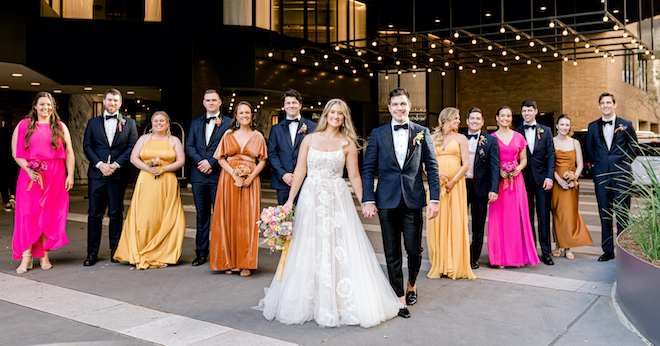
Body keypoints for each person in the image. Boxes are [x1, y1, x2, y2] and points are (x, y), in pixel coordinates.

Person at [255, 98, 404, 328]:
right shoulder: (310, 139)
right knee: (309, 244)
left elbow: (354, 175)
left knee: (338, 245)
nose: (336, 116)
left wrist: (366, 200)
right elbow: (300, 170)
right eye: (333, 112)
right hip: (311, 197)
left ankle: (337, 299)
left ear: (344, 118)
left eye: (340, 113)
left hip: (336, 197)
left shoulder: (348, 144)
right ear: (326, 114)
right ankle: (310, 298)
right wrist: (290, 201)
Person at [361, 87, 440, 318]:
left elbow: (432, 167)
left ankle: (412, 283)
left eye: (403, 104)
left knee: (414, 250)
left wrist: (434, 199)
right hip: (386, 199)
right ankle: (399, 297)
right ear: (389, 108)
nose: (399, 108)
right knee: (391, 250)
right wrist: (368, 199)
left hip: (413, 199)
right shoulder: (377, 134)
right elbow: (368, 169)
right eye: (395, 104)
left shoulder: (422, 132)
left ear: (409, 106)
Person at [11, 91, 75, 273]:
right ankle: (26, 256)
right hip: (30, 175)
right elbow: (17, 153)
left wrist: (70, 175)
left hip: (55, 174)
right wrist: (28, 169)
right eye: (42, 104)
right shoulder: (24, 125)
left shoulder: (60, 126)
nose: (45, 108)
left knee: (50, 213)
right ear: (35, 106)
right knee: (27, 214)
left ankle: (44, 254)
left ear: (52, 107)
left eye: (48, 105)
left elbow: (69, 152)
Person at [114, 111, 186, 269]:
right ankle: (141, 249)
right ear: (152, 124)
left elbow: (181, 160)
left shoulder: (174, 140)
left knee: (166, 216)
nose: (159, 123)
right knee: (145, 216)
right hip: (146, 181)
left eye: (162, 121)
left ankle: (164, 253)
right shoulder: (144, 139)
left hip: (167, 181)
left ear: (167, 124)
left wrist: (164, 169)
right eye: (156, 121)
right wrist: (148, 168)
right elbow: (133, 158)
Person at [209, 101, 267, 276]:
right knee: (229, 218)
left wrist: (251, 177)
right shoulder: (228, 134)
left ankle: (245, 263)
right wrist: (234, 175)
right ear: (236, 116)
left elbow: (263, 160)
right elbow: (220, 158)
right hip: (229, 179)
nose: (244, 116)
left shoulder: (258, 136)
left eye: (247, 113)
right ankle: (229, 261)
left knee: (247, 220)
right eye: (241, 113)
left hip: (251, 180)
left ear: (252, 116)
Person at [83, 88, 138, 266]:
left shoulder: (129, 123)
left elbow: (132, 147)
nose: (112, 103)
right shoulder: (92, 123)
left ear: (120, 103)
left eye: (116, 100)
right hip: (97, 174)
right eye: (109, 100)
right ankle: (92, 253)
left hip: (118, 175)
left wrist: (115, 165)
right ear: (104, 102)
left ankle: (116, 251)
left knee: (116, 213)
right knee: (94, 214)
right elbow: (87, 146)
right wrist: (100, 165)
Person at [585, 93, 638, 262]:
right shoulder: (592, 127)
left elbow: (634, 147)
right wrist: (601, 163)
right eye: (602, 103)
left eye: (609, 102)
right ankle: (607, 251)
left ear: (614, 105)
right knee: (604, 214)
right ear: (599, 106)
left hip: (622, 175)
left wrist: (622, 162)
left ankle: (624, 252)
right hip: (601, 176)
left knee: (623, 214)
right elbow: (590, 150)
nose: (606, 105)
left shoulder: (626, 125)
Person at [425, 107, 475, 280]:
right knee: (437, 223)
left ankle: (454, 263)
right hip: (436, 186)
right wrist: (436, 177)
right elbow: (425, 164)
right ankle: (439, 263)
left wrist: (453, 181)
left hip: (455, 186)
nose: (459, 121)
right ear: (446, 119)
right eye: (456, 118)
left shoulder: (460, 138)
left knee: (454, 221)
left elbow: (466, 164)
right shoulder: (431, 138)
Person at [487, 106, 540, 268]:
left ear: (511, 118)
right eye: (502, 115)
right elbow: (489, 162)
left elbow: (524, 159)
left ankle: (516, 257)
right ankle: (500, 258)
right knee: (500, 220)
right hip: (499, 183)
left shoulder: (518, 137)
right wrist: (498, 172)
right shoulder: (491, 138)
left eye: (508, 116)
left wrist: (517, 168)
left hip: (516, 182)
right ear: (497, 118)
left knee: (516, 219)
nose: (505, 118)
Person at [185, 89, 232, 266]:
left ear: (220, 102)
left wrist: (211, 162)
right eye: (207, 100)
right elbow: (189, 146)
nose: (211, 103)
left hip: (219, 175)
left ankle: (222, 253)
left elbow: (229, 147)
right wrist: (201, 163)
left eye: (214, 100)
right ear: (203, 103)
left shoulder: (229, 123)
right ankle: (201, 253)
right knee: (201, 215)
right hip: (198, 176)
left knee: (221, 216)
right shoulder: (195, 123)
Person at [515, 100, 556, 266]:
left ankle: (546, 252)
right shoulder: (516, 132)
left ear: (536, 111)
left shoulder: (545, 131)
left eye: (529, 110)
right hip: (522, 180)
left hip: (542, 180)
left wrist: (549, 177)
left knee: (543, 216)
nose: (527, 113)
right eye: (524, 111)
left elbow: (551, 155)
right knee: (526, 217)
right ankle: (529, 251)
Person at [461, 108, 499, 269]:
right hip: (461, 186)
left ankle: (474, 257)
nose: (475, 121)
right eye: (472, 118)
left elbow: (494, 166)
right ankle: (460, 255)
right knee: (460, 222)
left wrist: (494, 189)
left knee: (478, 224)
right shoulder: (459, 138)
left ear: (482, 122)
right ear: (467, 121)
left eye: (478, 118)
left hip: (481, 187)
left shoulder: (490, 141)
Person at [551, 115, 593, 260]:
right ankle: (557, 245)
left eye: (567, 125)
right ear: (557, 126)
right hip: (556, 182)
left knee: (569, 214)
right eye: (562, 124)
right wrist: (559, 180)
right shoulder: (551, 142)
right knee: (557, 214)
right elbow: (549, 164)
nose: (564, 127)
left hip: (571, 184)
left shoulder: (575, 142)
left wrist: (573, 178)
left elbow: (580, 164)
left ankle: (568, 247)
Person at [268, 89, 316, 204]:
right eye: (288, 103)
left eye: (294, 103)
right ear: (284, 106)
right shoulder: (276, 129)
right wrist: (283, 174)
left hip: (306, 180)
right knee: (284, 218)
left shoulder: (313, 127)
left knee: (305, 218)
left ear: (300, 105)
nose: (291, 106)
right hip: (282, 181)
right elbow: (272, 154)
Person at [1, 115, 18, 212]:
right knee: (13, 178)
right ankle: (13, 195)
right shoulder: (13, 132)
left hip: (2, 159)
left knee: (2, 181)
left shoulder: (0, 131)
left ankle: (7, 201)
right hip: (12, 158)